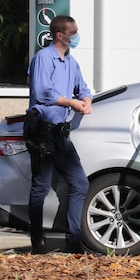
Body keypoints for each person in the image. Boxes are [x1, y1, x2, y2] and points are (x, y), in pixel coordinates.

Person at [25, 15, 93, 255]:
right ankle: (37, 240)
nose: (75, 37)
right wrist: (72, 103)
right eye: (72, 33)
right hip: (42, 131)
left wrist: (86, 100)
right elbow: (44, 93)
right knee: (40, 188)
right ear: (60, 35)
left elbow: (83, 87)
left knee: (79, 183)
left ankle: (73, 241)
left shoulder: (71, 62)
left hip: (61, 135)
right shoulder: (44, 58)